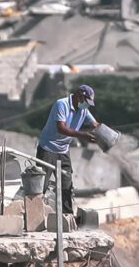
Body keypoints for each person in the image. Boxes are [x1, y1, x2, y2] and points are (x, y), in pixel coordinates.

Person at [36, 84, 101, 214]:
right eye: (86, 101)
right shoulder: (62, 104)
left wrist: (105, 133)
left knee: (66, 186)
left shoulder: (83, 110)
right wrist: (82, 135)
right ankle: (35, 216)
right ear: (79, 95)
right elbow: (61, 128)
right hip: (48, 148)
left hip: (63, 150)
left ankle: (67, 216)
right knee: (41, 185)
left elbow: (95, 125)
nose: (86, 105)